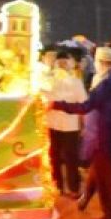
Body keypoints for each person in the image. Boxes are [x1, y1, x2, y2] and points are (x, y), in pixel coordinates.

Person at [51, 45, 111, 219]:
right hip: (107, 134)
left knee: (108, 179)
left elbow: (86, 106)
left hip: (104, 135)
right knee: (103, 175)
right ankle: (110, 212)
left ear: (101, 62)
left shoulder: (107, 83)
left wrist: (58, 105)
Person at [42, 49, 88, 197]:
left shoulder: (76, 82)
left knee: (71, 158)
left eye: (65, 62)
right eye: (59, 62)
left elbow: (83, 104)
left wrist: (84, 125)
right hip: (52, 123)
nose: (62, 65)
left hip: (70, 125)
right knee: (53, 156)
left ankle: (74, 187)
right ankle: (57, 186)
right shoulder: (48, 81)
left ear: (70, 64)